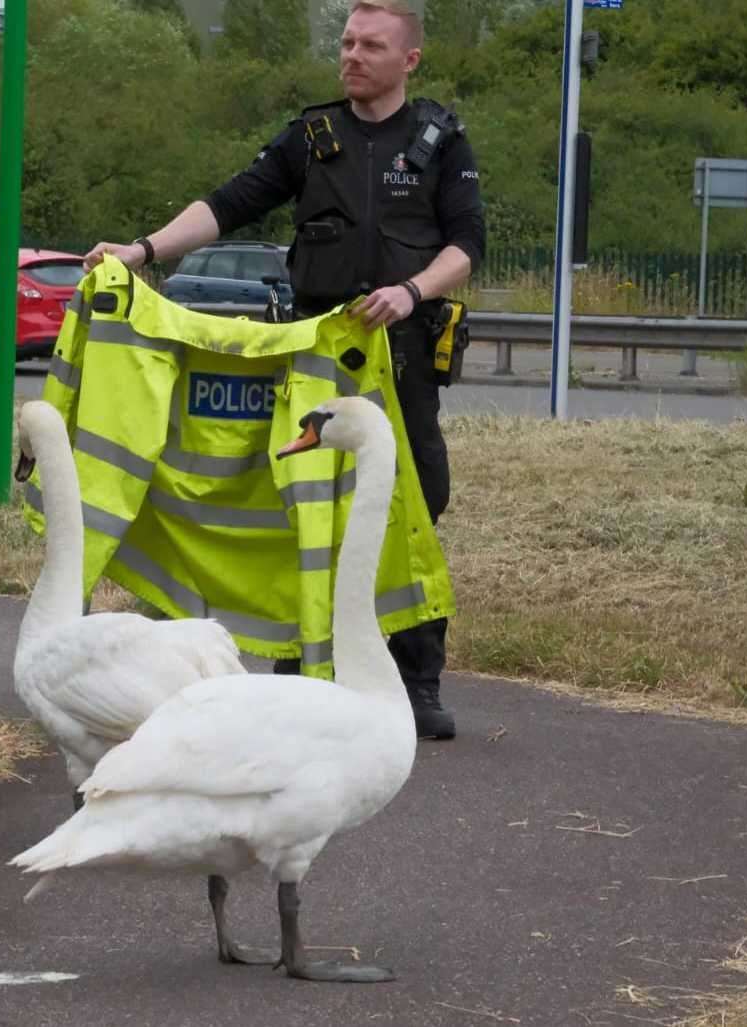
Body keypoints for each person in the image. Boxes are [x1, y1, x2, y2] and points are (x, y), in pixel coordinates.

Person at [82, 0, 485, 741]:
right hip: (314, 360)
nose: (353, 55)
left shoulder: (439, 140)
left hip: (397, 360)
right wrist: (141, 251)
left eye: (371, 45)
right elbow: (228, 204)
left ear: (410, 60)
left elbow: (466, 245)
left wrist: (411, 290)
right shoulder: (312, 137)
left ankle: (416, 680)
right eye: (347, 41)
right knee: (306, 504)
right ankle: (304, 662)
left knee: (415, 505)